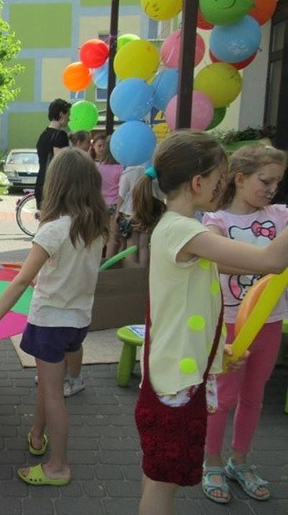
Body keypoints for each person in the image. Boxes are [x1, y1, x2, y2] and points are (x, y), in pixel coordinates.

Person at [131, 131, 288, 515]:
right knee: (162, 485)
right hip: (175, 382)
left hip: (174, 374)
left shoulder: (179, 230)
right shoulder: (185, 231)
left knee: (158, 476)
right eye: (220, 182)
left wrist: (219, 353)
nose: (221, 190)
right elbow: (270, 261)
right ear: (198, 183)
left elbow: (200, 299)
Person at [0, 148, 108, 486]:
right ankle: (37, 434)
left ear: (57, 185)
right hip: (76, 322)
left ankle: (58, 466)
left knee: (52, 393)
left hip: (50, 322)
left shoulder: (53, 230)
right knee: (48, 385)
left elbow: (22, 279)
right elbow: (71, 271)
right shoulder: (95, 227)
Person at [200, 145, 287, 504]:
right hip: (231, 323)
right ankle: (212, 462)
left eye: (278, 182)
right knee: (223, 398)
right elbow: (217, 261)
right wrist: (269, 264)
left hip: (270, 320)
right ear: (239, 178)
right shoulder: (216, 222)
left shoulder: (281, 215)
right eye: (265, 180)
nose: (272, 189)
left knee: (253, 395)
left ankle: (240, 460)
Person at [116, 164, 164, 267]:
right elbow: (161, 195)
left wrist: (117, 213)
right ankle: (143, 273)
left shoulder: (128, 173)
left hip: (130, 214)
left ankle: (132, 273)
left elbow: (122, 195)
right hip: (149, 214)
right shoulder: (155, 174)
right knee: (144, 246)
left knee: (131, 246)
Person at [35, 98, 71, 209]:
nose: (69, 119)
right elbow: (60, 163)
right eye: (68, 114)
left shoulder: (43, 135)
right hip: (53, 187)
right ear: (61, 114)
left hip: (41, 182)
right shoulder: (60, 135)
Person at [97, 136, 124, 259]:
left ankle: (99, 260)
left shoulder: (98, 167)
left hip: (101, 205)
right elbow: (121, 192)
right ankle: (108, 265)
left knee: (102, 236)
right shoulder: (120, 168)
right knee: (113, 239)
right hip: (115, 205)